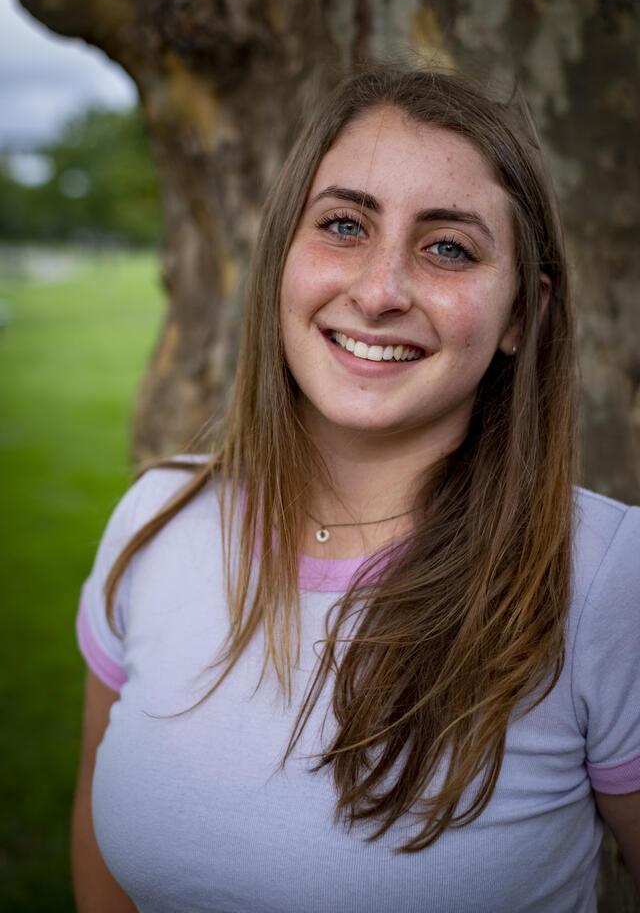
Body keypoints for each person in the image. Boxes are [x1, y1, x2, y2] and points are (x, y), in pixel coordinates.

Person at [71, 66, 640, 913]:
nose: (379, 292)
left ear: (524, 312)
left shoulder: (603, 578)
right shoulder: (154, 522)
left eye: (448, 247)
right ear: (281, 260)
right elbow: (98, 840)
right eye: (344, 225)